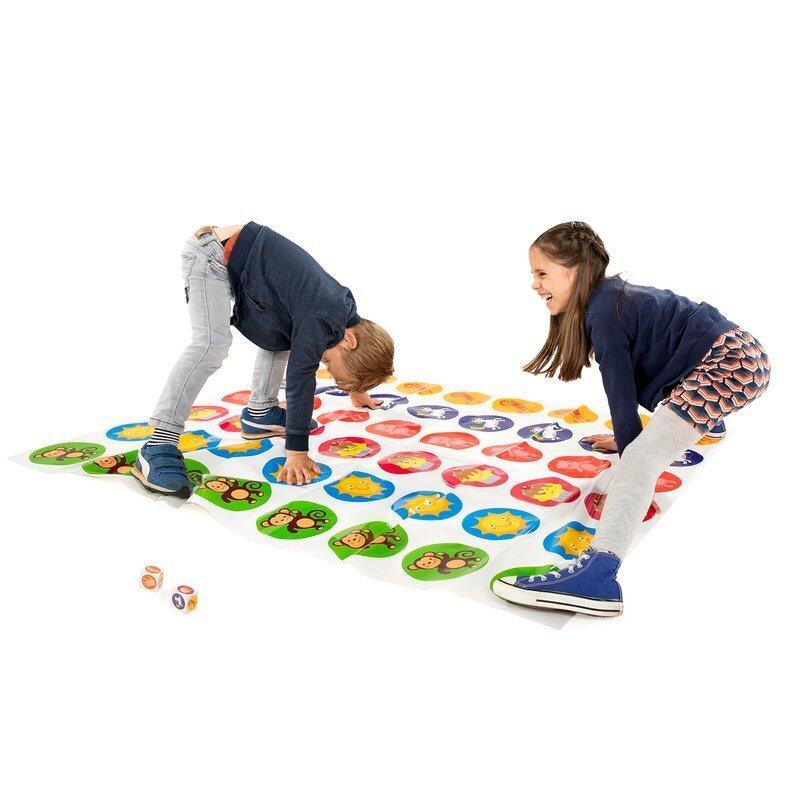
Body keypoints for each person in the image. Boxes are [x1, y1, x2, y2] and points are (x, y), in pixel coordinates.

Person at [491, 221, 770, 616]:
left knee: (641, 458)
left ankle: (598, 576)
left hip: (730, 363)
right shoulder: (608, 299)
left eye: (542, 273)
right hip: (736, 355)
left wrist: (633, 447)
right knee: (644, 443)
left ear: (574, 271)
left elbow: (619, 392)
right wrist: (635, 435)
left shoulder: (604, 310)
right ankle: (699, 420)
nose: (535, 285)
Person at [131, 223, 394, 496]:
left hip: (246, 266)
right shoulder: (322, 317)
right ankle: (159, 442)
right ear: (349, 341)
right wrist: (297, 451)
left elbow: (337, 352)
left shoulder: (340, 313)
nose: (322, 361)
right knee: (211, 344)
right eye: (329, 364)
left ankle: (260, 413)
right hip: (211, 255)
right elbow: (300, 378)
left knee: (287, 336)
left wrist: (355, 387)